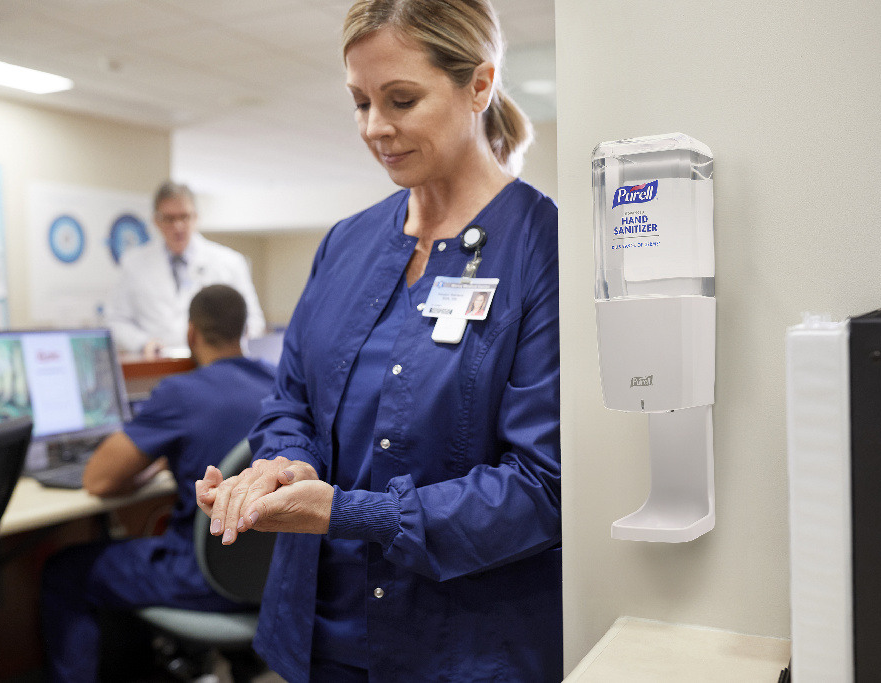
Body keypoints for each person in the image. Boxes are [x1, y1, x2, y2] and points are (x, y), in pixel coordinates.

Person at [196, 1, 561, 681]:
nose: (374, 128)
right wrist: (287, 466)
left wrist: (346, 510)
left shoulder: (544, 247)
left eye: (401, 99)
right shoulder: (346, 244)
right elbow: (290, 404)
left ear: (479, 85)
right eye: (360, 101)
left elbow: (541, 487)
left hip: (463, 648)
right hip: (314, 637)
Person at [41, 285, 277, 682]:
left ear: (191, 334)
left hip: (201, 579)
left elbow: (97, 479)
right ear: (245, 330)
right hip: (275, 576)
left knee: (65, 570)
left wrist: (150, 464)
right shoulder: (280, 385)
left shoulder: (182, 393)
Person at [107, 180, 266, 358]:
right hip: (156, 367)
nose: (178, 226)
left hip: (213, 366)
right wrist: (142, 342)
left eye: (184, 217)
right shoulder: (133, 264)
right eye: (169, 219)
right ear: (156, 221)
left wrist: (226, 347)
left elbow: (254, 321)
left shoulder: (230, 262)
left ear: (196, 217)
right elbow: (116, 320)